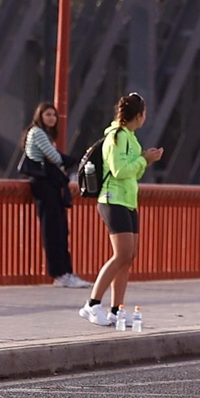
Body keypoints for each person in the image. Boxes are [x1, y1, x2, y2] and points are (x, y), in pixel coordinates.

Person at [79, 93, 163, 328]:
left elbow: (133, 173)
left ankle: (117, 309)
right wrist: (143, 160)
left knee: (129, 257)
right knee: (121, 255)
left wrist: (146, 161)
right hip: (112, 199)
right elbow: (118, 170)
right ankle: (92, 303)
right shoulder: (116, 137)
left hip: (128, 201)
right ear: (139, 115)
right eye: (144, 113)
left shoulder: (132, 139)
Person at [21, 103, 91, 290]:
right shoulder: (37, 133)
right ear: (40, 116)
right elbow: (55, 157)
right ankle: (60, 274)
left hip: (50, 185)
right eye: (48, 114)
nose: (52, 118)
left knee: (60, 230)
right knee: (53, 231)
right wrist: (75, 160)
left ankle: (66, 272)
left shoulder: (43, 134)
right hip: (44, 185)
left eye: (54, 115)